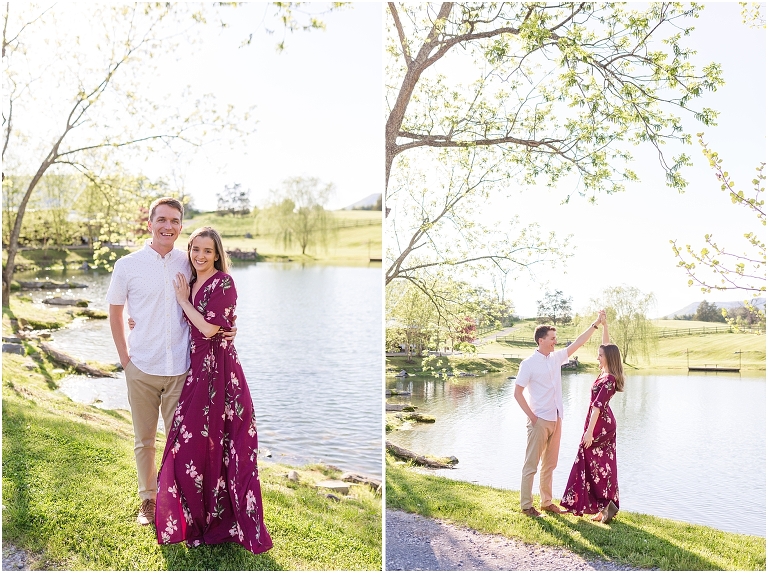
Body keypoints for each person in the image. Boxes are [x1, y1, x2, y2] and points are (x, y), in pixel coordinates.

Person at [154, 226, 272, 555]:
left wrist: (182, 301)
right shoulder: (190, 282)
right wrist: (137, 321)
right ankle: (193, 518)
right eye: (195, 250)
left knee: (228, 445)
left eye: (207, 250)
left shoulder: (224, 282)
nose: (201, 256)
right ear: (189, 251)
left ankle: (227, 523)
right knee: (189, 444)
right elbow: (179, 321)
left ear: (217, 253)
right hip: (196, 373)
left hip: (221, 374)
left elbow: (208, 328)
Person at [513, 311, 606, 517]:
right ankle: (526, 506)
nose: (556, 341)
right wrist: (533, 417)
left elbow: (579, 342)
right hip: (539, 420)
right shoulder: (528, 364)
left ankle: (546, 502)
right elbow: (517, 393)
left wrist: (596, 324)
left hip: (556, 418)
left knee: (550, 464)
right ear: (541, 340)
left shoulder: (556, 358)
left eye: (555, 338)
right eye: (552, 338)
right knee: (531, 465)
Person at [561, 314, 623, 524]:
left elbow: (597, 406)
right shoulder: (607, 372)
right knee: (600, 465)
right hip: (600, 424)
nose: (597, 357)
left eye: (600, 355)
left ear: (608, 359)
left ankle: (603, 506)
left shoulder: (608, 380)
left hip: (600, 426)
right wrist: (603, 325)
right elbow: (607, 347)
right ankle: (604, 508)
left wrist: (588, 432)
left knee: (592, 462)